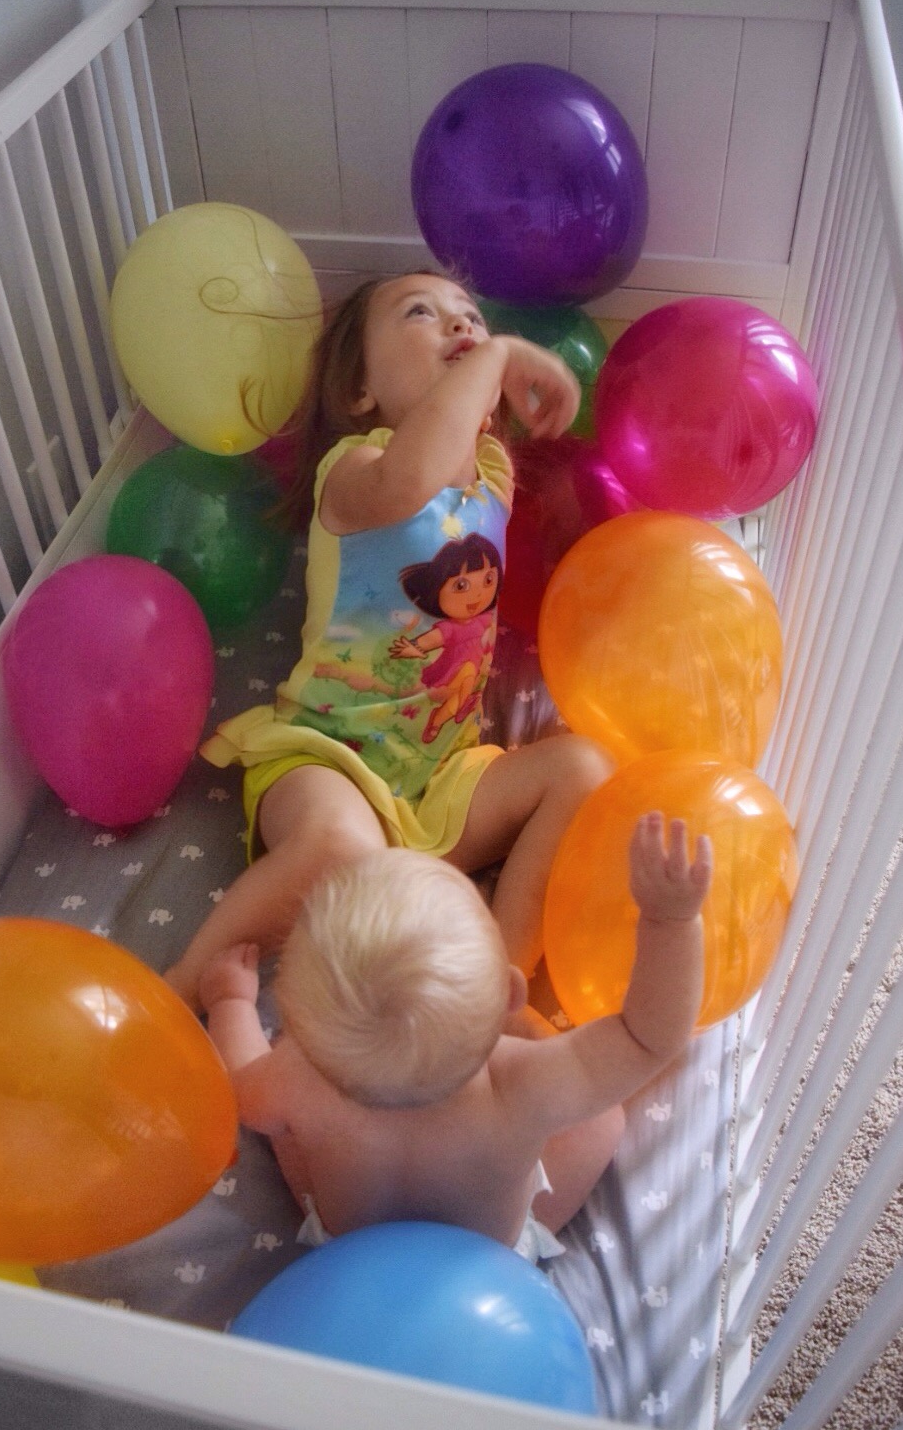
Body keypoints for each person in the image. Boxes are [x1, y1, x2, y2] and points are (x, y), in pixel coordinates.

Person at [165, 271, 612, 1023]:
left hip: (444, 777)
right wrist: (497, 354)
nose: (462, 327)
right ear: (360, 392)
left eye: (471, 316)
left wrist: (489, 383)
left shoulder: (491, 475)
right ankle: (180, 990)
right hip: (327, 758)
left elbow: (457, 452)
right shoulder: (355, 471)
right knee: (342, 850)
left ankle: (497, 989)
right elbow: (414, 476)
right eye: (421, 313)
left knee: (584, 769)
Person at [199, 813, 713, 1252]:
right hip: (486, 1263)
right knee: (603, 1119)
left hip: (345, 1254)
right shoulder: (523, 1086)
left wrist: (231, 1004)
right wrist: (670, 922)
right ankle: (531, 1240)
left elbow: (243, 1090)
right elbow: (646, 1039)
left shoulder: (301, 1075)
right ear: (511, 994)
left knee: (285, 1125)